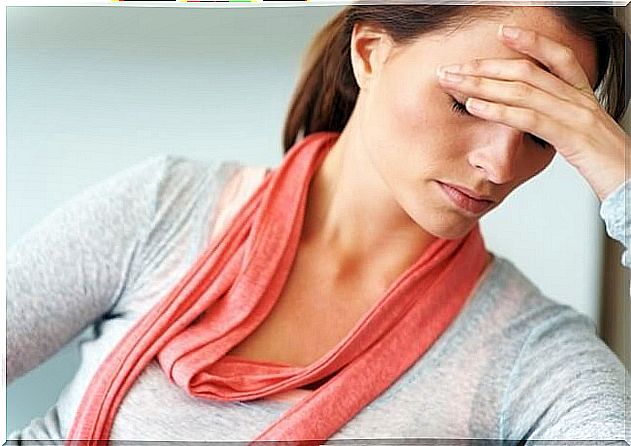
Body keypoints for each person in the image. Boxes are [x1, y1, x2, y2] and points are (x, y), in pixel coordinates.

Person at [7, 4, 630, 444]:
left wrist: (620, 175)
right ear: (370, 53)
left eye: (541, 135)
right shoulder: (164, 206)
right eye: (468, 104)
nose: (497, 165)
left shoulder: (531, 352)